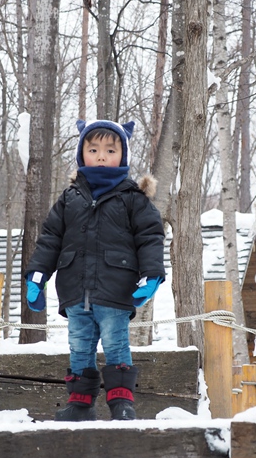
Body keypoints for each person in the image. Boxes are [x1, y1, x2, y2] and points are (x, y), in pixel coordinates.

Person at [24, 119, 165, 422]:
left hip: (115, 290)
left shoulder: (133, 199)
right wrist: (37, 277)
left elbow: (150, 237)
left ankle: (121, 403)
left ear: (122, 156)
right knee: (79, 347)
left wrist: (151, 275)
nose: (101, 156)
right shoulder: (69, 199)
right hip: (75, 289)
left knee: (116, 344)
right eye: (93, 149)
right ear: (82, 154)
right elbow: (49, 239)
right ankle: (80, 403)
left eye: (110, 150)